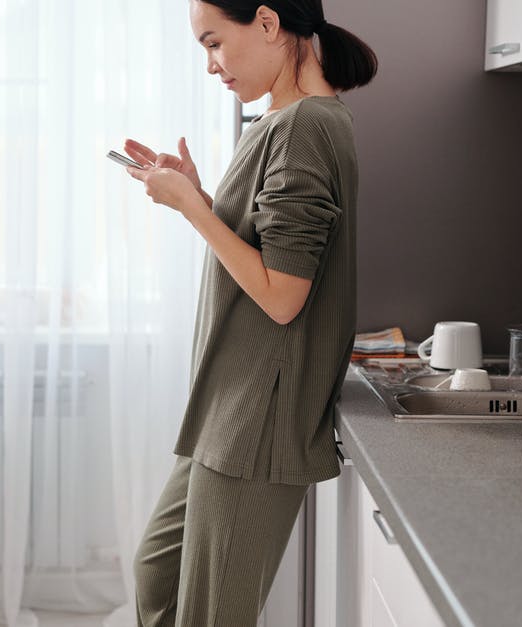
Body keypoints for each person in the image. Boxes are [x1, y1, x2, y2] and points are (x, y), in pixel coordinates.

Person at [122, 1, 377, 625]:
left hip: (257, 416)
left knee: (211, 614)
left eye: (214, 43)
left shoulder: (306, 127)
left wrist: (192, 208)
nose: (211, 66)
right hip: (230, 405)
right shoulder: (285, 121)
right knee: (157, 571)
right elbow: (269, 247)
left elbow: (283, 295)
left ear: (267, 23)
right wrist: (203, 195)